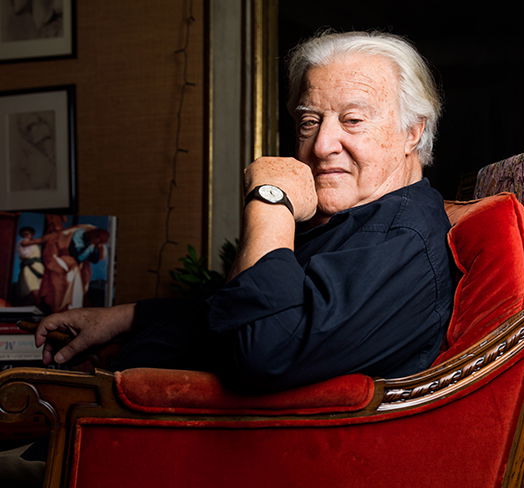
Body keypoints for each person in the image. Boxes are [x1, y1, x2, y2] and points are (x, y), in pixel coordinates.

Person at [34, 30, 454, 392]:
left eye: (353, 120)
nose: (323, 145)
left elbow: (264, 351)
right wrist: (126, 318)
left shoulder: (402, 239)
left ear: (412, 132)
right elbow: (238, 312)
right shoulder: (356, 222)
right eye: (309, 122)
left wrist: (271, 198)